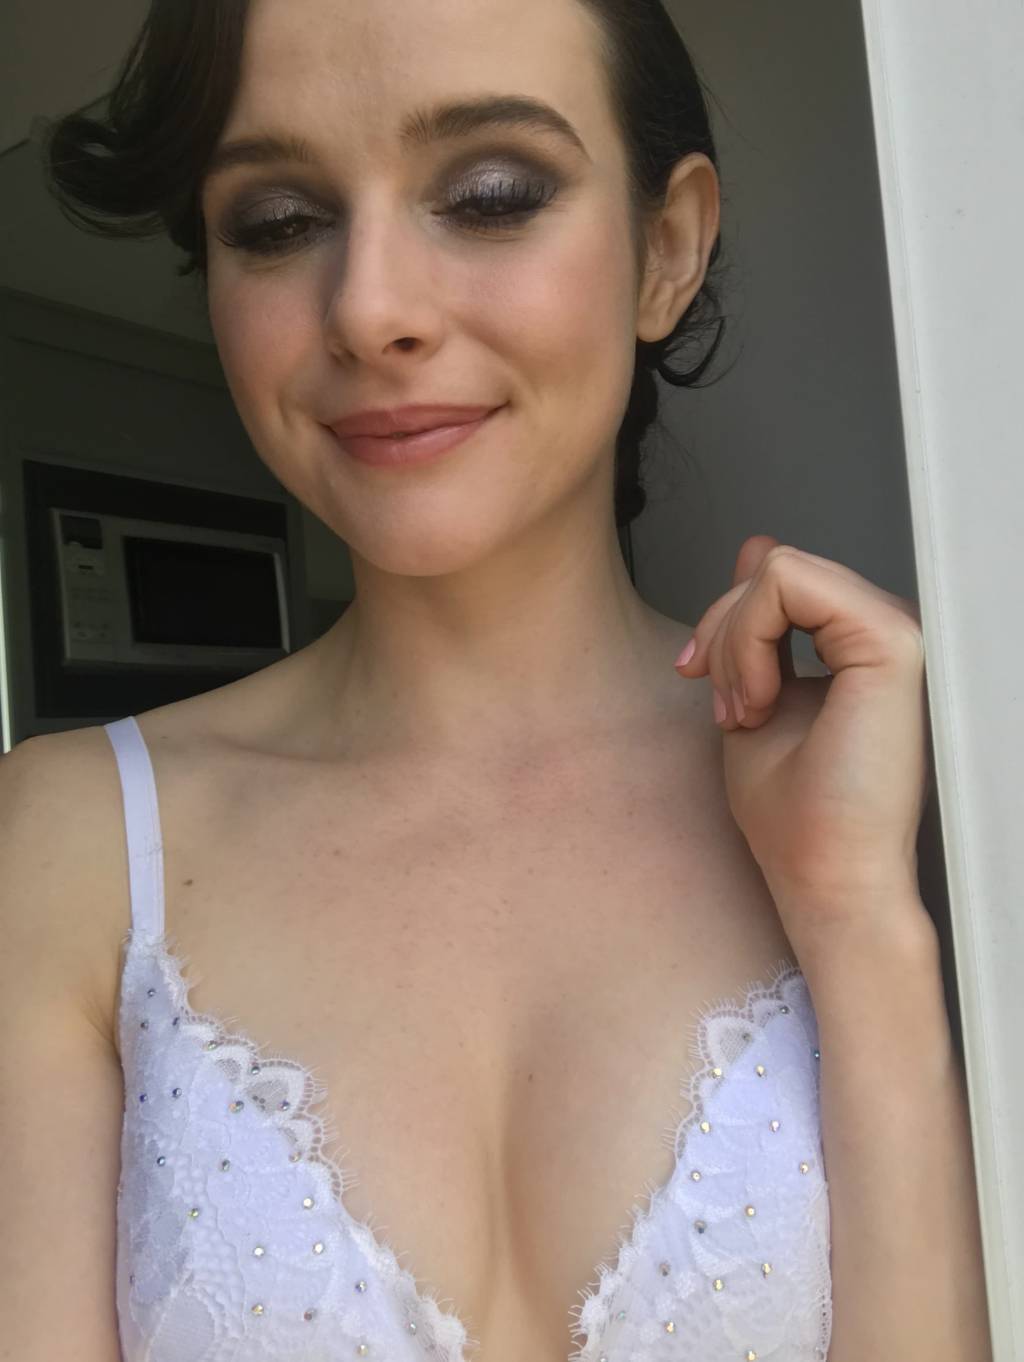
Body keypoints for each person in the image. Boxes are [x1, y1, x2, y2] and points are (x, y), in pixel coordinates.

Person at [0, 1, 992, 1360]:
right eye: (278, 221)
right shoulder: (66, 843)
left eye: (490, 196)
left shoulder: (883, 797)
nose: (369, 309)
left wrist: (860, 919)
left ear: (666, 249)